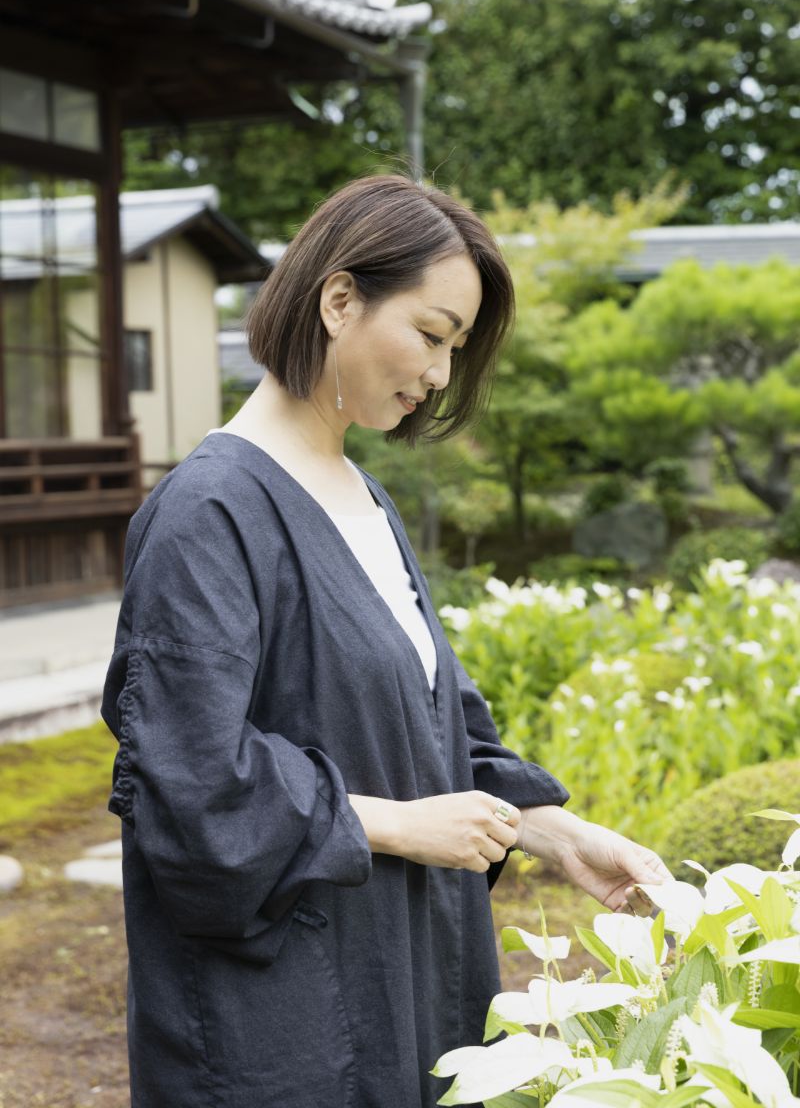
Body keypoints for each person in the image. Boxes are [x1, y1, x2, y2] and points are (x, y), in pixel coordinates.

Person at [101, 174, 670, 1108]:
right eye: (434, 334)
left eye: (457, 347)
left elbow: (430, 730)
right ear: (338, 299)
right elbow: (192, 782)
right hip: (282, 1018)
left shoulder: (366, 501)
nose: (442, 374)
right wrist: (400, 824)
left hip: (406, 970)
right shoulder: (209, 512)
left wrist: (554, 834)